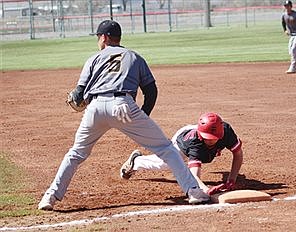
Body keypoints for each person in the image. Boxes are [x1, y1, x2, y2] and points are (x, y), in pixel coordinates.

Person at [38, 20, 209, 210]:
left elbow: (79, 93)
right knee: (166, 148)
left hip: (94, 108)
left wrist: (79, 98)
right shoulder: (134, 57)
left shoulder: (93, 59)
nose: (98, 41)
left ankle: (50, 197)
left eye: (98, 37)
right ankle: (194, 192)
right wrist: (142, 116)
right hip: (123, 106)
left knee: (76, 153)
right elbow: (151, 91)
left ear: (104, 37)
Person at [120, 112, 243, 195]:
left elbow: (238, 154)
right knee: (166, 164)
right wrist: (206, 189)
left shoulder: (226, 131)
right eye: (206, 137)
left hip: (200, 132)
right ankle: (137, 161)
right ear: (201, 134)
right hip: (182, 141)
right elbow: (194, 175)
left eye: (213, 137)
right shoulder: (194, 142)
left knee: (204, 154)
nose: (209, 140)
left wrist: (232, 180)